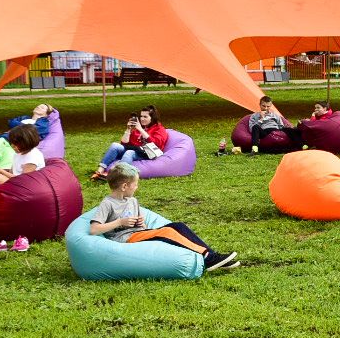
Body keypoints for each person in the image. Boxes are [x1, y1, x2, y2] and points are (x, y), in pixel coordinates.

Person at [89, 162, 238, 271]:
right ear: (124, 186)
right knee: (167, 232)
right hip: (125, 239)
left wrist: (140, 223)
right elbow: (94, 229)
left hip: (138, 233)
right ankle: (209, 258)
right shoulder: (107, 203)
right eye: (135, 184)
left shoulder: (132, 200)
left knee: (178, 226)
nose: (137, 187)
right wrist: (120, 222)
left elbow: (143, 228)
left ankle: (214, 256)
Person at [89, 105, 169, 180]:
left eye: (145, 117)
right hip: (136, 150)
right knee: (115, 145)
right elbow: (124, 143)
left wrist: (141, 130)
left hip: (148, 153)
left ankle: (118, 176)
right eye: (141, 116)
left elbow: (155, 144)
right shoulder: (139, 128)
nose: (142, 119)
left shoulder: (159, 129)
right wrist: (128, 129)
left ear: (153, 118)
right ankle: (99, 171)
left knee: (129, 152)